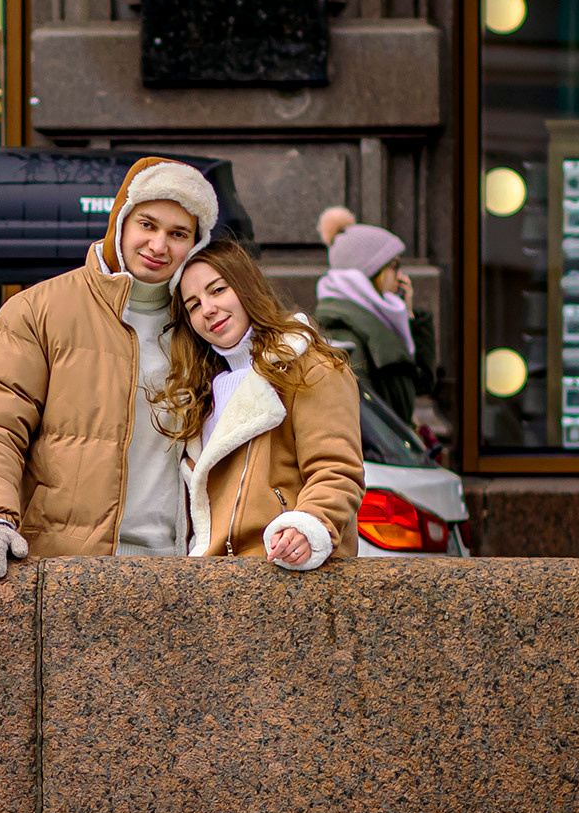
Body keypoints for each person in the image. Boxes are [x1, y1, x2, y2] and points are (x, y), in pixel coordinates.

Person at [0, 157, 221, 581]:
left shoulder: (206, 324)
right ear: (121, 222)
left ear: (197, 244)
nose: (158, 245)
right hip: (67, 570)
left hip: (181, 570)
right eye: (147, 225)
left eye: (178, 233)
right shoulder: (38, 310)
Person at [160, 242, 365, 570]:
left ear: (247, 288)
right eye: (194, 305)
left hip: (284, 573)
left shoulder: (309, 367)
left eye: (218, 290)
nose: (208, 309)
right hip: (213, 580)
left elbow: (336, 469)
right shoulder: (200, 393)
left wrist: (306, 526)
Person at [312, 206, 435, 428]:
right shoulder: (343, 333)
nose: (401, 278)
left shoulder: (378, 322)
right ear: (370, 271)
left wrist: (410, 316)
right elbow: (363, 423)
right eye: (394, 266)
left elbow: (422, 384)